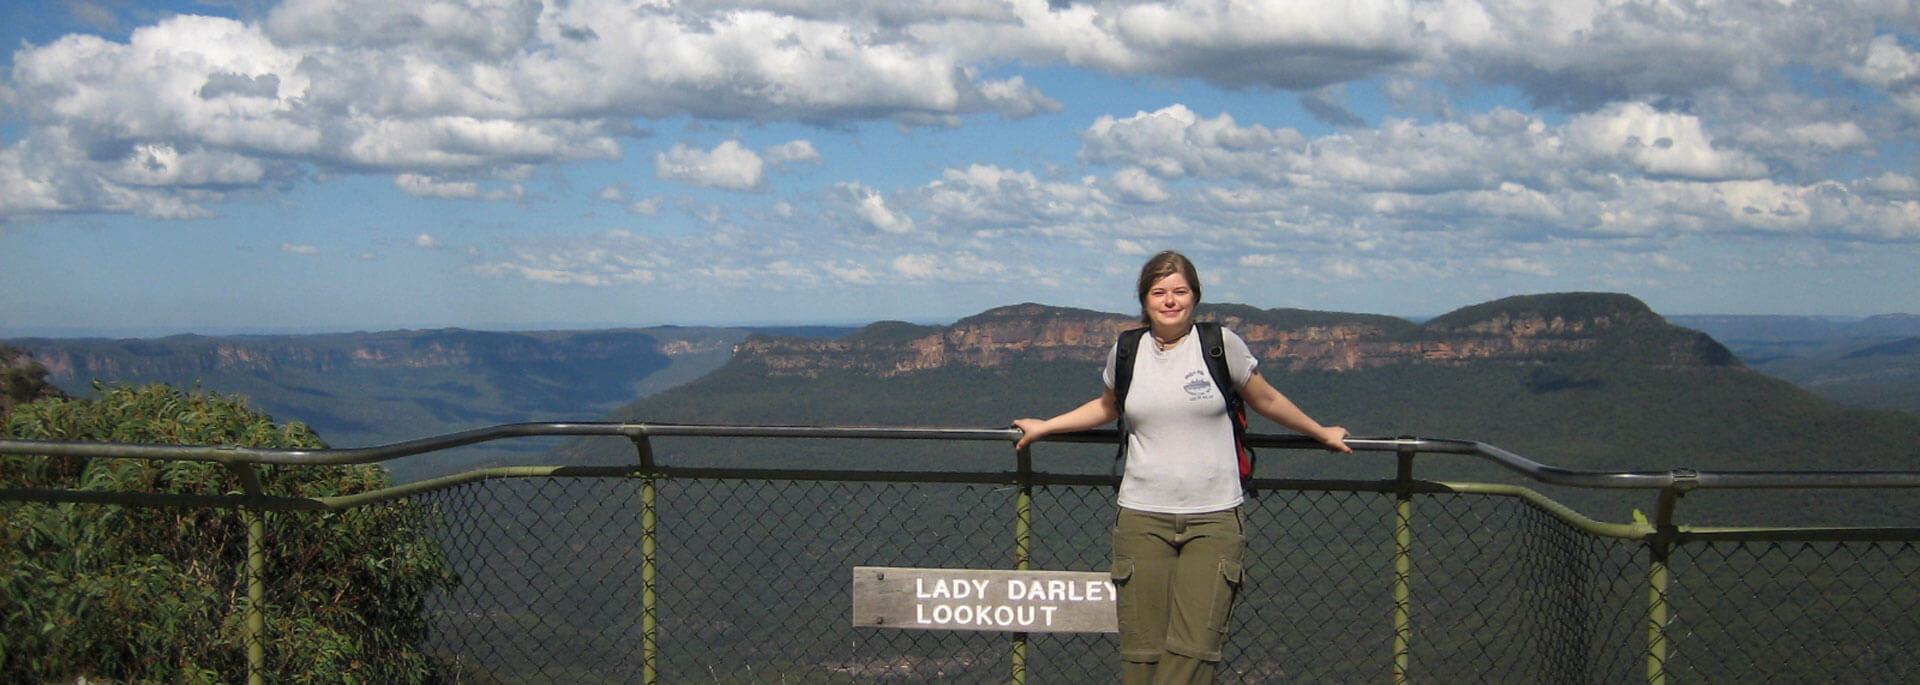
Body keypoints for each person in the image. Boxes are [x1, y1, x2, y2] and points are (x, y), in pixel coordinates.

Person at [1013, 250, 1351, 685]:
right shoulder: (1127, 350)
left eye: (1180, 291)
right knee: (1142, 652)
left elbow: (1264, 399)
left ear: (1195, 296)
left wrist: (1320, 431)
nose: (1170, 301)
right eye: (1159, 292)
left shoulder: (1219, 345)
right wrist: (1046, 426)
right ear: (1144, 299)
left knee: (1195, 650)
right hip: (1141, 517)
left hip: (1213, 518)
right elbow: (1106, 407)